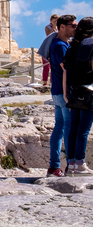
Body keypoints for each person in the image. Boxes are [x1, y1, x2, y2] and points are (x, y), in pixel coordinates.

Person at [63, 17, 93, 176]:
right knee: (83, 129)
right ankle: (80, 163)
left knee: (74, 128)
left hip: (73, 92)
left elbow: (65, 68)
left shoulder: (72, 46)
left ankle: (72, 163)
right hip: (88, 91)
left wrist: (66, 92)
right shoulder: (91, 45)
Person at [48, 14, 77, 177]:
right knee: (68, 128)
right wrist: (68, 96)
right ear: (62, 27)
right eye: (73, 25)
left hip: (57, 92)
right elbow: (67, 70)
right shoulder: (60, 45)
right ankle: (69, 165)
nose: (75, 28)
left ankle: (54, 167)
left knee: (59, 128)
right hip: (63, 94)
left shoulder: (61, 44)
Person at [42, 14, 59, 86]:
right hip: (47, 47)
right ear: (51, 21)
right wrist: (53, 28)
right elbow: (48, 35)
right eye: (54, 21)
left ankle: (52, 82)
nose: (55, 22)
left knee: (53, 66)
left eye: (56, 21)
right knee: (46, 66)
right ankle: (44, 82)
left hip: (55, 47)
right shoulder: (47, 27)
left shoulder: (60, 27)